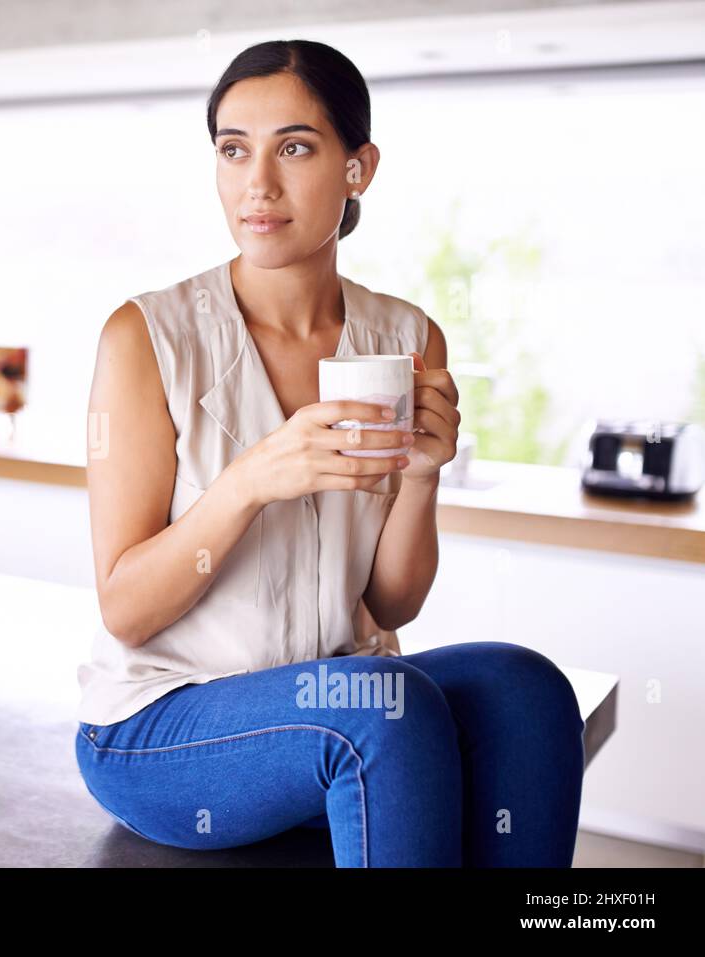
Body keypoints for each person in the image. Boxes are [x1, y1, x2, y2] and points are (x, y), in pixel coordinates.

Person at [73, 39, 585, 867]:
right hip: (163, 722)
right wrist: (250, 481)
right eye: (234, 149)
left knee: (526, 690)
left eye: (296, 147)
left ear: (359, 168)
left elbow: (391, 604)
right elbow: (125, 608)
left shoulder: (407, 337)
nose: (258, 184)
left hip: (336, 696)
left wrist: (420, 477)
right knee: (384, 704)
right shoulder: (147, 338)